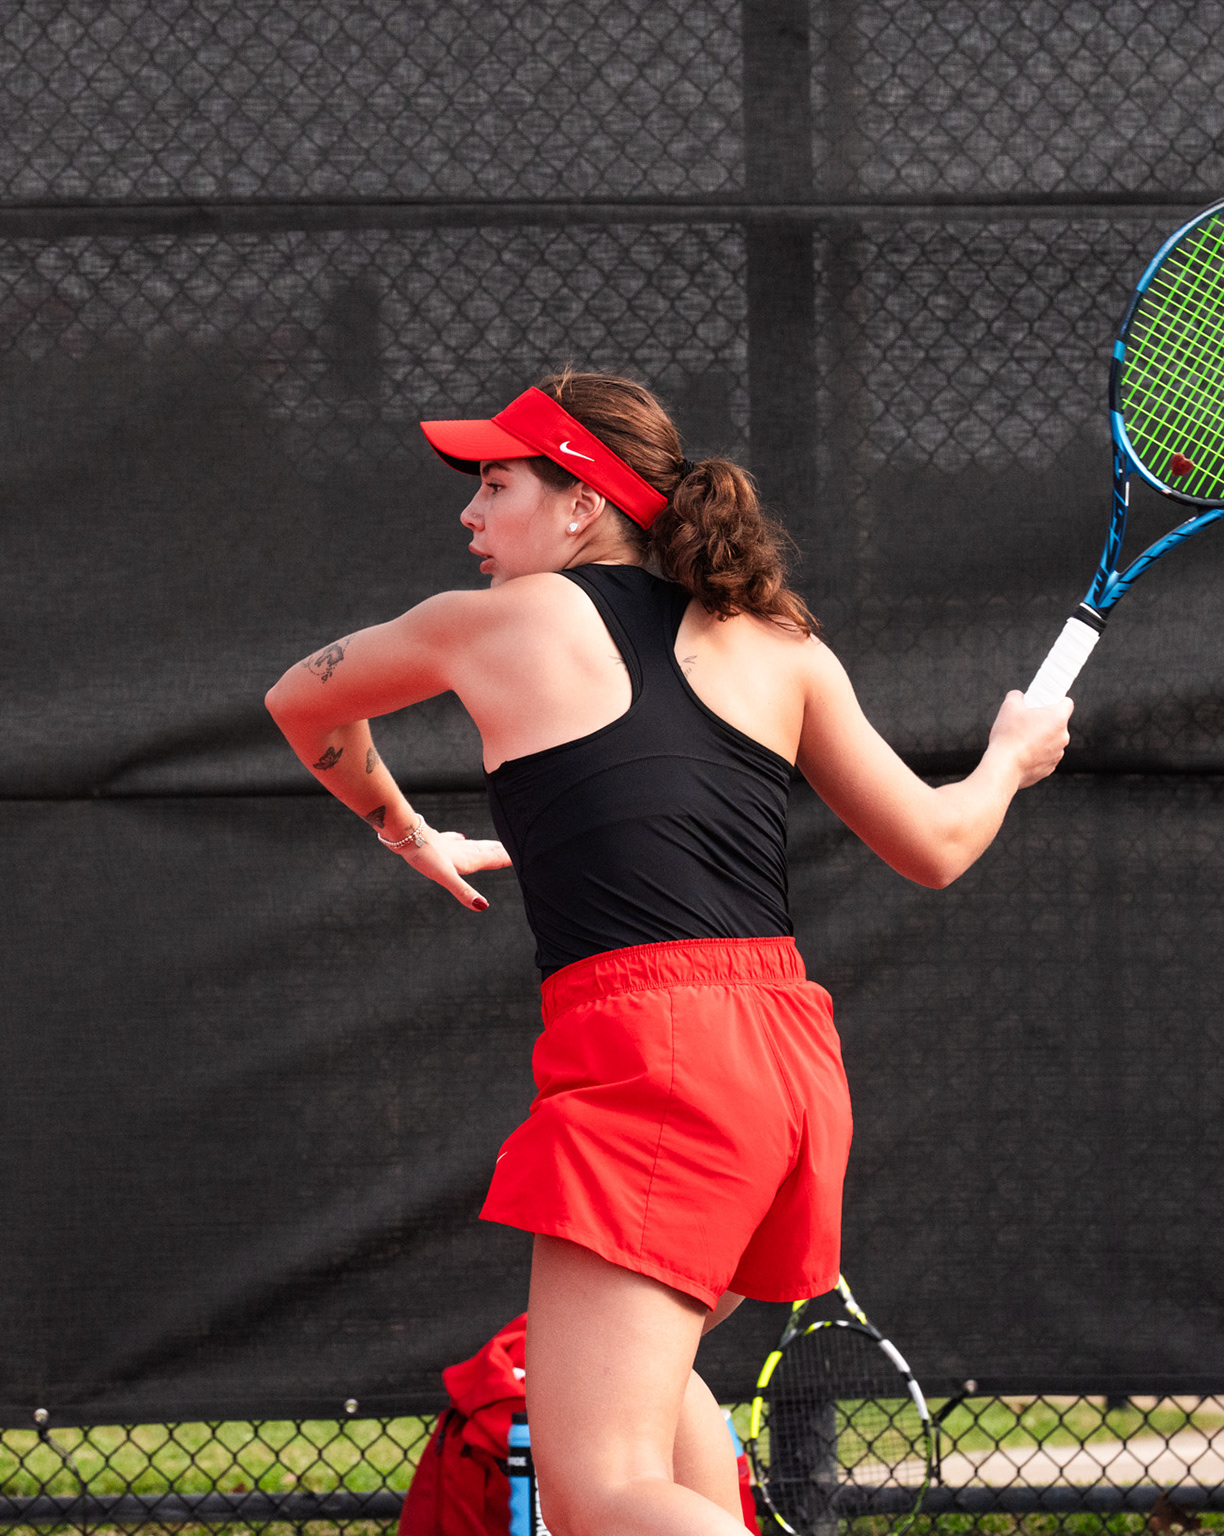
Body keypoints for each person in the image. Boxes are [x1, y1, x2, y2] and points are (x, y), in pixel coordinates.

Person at [265, 370, 1070, 1536]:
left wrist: (404, 830)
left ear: (583, 505)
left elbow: (301, 703)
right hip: (787, 1066)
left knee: (597, 1490)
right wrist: (1009, 758)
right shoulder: (781, 645)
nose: (469, 513)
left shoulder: (496, 621)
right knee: (655, 1391)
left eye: (496, 485)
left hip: (658, 1062)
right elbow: (939, 845)